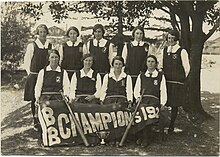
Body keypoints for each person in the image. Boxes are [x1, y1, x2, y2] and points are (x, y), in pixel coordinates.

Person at [158, 30, 190, 133]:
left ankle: (171, 125)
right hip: (166, 81)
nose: (171, 40)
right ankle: (162, 124)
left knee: (174, 104)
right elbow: (161, 65)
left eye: (172, 38)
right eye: (169, 38)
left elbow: (187, 68)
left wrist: (180, 78)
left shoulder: (182, 51)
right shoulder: (165, 50)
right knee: (164, 102)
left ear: (176, 39)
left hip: (176, 82)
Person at [23, 24, 52, 130]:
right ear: (37, 33)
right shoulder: (32, 46)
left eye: (44, 32)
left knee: (45, 97)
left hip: (45, 75)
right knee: (34, 98)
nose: (43, 34)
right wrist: (31, 74)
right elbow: (27, 62)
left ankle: (44, 119)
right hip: (34, 75)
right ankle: (35, 120)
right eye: (41, 32)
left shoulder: (49, 45)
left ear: (47, 33)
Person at [134, 55, 167, 147]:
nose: (150, 63)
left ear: (156, 64)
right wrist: (137, 97)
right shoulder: (142, 75)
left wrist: (163, 103)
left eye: (152, 62)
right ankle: (141, 136)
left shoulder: (160, 76)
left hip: (154, 101)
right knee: (141, 110)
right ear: (146, 63)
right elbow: (137, 89)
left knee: (148, 111)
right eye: (148, 61)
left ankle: (146, 138)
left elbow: (163, 90)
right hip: (143, 100)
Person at [100, 56, 133, 147]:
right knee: (110, 114)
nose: (118, 66)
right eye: (116, 64)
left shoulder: (127, 77)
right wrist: (102, 100)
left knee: (119, 114)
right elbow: (104, 90)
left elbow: (129, 91)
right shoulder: (108, 76)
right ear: (112, 65)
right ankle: (111, 138)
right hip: (109, 99)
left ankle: (118, 138)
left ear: (123, 65)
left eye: (120, 64)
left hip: (121, 100)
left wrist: (130, 101)